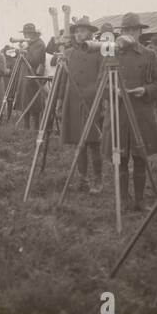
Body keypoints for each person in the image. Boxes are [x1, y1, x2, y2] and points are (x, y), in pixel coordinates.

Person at [110, 12, 157, 212]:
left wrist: (146, 90)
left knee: (140, 157)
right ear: (121, 32)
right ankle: (123, 198)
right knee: (120, 158)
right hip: (119, 113)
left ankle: (140, 200)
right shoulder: (112, 53)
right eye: (126, 29)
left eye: (133, 29)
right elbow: (101, 80)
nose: (129, 33)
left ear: (140, 31)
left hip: (141, 112)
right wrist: (112, 90)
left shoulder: (150, 55)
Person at [59, 16, 103, 191]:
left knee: (94, 143)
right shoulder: (69, 53)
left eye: (82, 30)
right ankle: (82, 179)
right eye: (76, 31)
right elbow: (63, 80)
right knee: (79, 142)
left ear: (91, 33)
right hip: (74, 101)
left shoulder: (99, 51)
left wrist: (100, 101)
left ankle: (98, 179)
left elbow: (103, 77)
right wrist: (61, 101)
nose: (78, 34)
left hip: (93, 102)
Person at [16, 23, 48, 131]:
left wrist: (25, 51)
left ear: (33, 34)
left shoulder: (39, 44)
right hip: (25, 74)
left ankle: (35, 127)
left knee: (34, 101)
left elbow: (35, 60)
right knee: (24, 99)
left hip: (34, 75)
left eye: (26, 33)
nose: (25, 35)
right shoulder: (29, 44)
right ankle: (26, 125)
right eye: (24, 33)